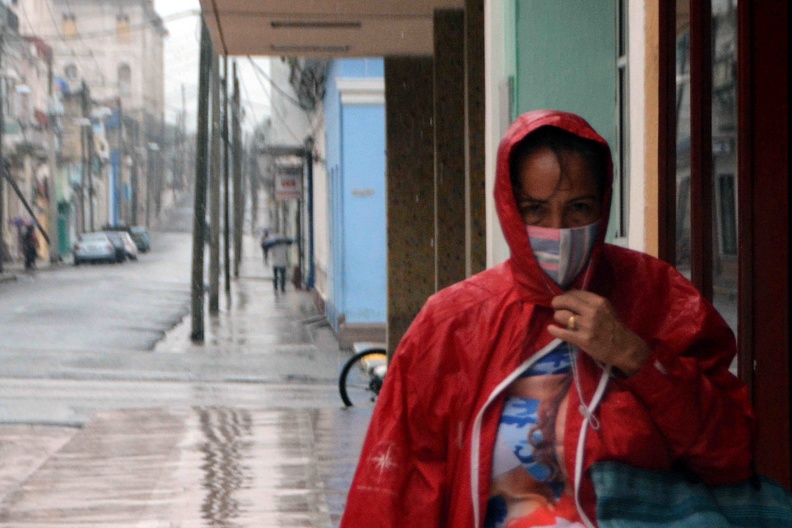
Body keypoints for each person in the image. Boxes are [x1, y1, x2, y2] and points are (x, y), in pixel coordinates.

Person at [340, 110, 753, 528]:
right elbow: (394, 491)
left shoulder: (657, 297)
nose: (558, 229)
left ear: (603, 204)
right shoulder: (452, 324)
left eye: (579, 208)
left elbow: (731, 453)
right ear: (509, 209)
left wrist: (636, 358)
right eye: (535, 209)